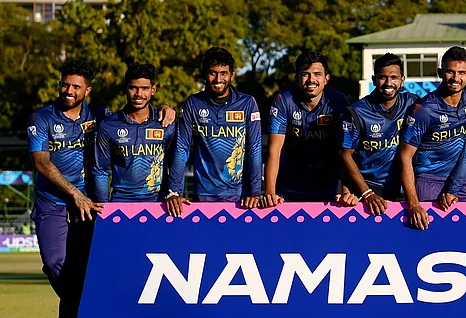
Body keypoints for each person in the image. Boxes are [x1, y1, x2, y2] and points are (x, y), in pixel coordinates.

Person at [27, 59, 108, 318]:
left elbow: (134, 119)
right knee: (55, 266)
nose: (69, 90)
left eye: (76, 86)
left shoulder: (100, 116)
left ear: (88, 88)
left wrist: (165, 111)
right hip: (53, 203)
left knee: (84, 269)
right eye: (65, 84)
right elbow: (41, 163)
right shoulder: (42, 117)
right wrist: (75, 194)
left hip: (89, 206)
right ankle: (86, 315)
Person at [166, 47, 263, 216]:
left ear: (232, 74)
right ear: (205, 74)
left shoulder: (247, 103)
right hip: (204, 194)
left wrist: (255, 191)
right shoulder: (193, 103)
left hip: (241, 196)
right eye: (213, 73)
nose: (218, 79)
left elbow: (254, 148)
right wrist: (174, 192)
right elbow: (182, 148)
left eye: (224, 73)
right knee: (204, 242)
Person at [397, 46, 466, 229]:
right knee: (431, 235)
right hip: (427, 180)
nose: (456, 78)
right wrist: (413, 204)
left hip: (457, 181)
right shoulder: (424, 109)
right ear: (440, 72)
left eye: (462, 73)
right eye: (450, 72)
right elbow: (405, 156)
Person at [263, 51, 353, 205]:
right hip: (289, 189)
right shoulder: (283, 100)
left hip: (329, 188)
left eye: (317, 74)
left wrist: (347, 190)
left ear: (326, 79)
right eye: (305, 74)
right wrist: (270, 193)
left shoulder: (339, 101)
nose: (311, 80)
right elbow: (274, 151)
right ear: (296, 79)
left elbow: (345, 150)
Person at [340, 53, 418, 215]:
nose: (389, 83)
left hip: (404, 188)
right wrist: (367, 193)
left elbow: (443, 100)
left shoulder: (413, 103)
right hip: (370, 189)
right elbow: (345, 155)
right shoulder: (356, 112)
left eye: (394, 77)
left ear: (402, 79)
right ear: (374, 79)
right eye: (383, 77)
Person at [93, 64, 175, 203]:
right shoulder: (108, 125)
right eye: (133, 88)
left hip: (158, 202)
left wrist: (174, 192)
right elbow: (100, 170)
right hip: (122, 202)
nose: (139, 94)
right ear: (126, 88)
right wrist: (104, 207)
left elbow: (176, 162)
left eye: (144, 88)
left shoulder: (165, 122)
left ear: (153, 90)